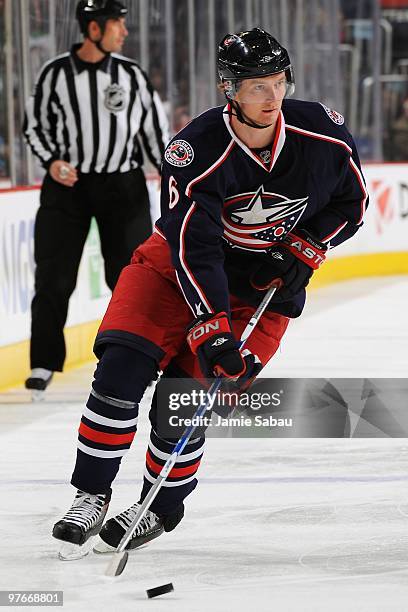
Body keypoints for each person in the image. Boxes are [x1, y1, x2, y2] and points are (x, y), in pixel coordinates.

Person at [52, 28, 368, 554]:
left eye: (278, 83)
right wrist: (212, 328)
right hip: (173, 272)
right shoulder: (195, 150)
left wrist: (308, 247)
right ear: (229, 89)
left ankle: (159, 505)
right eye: (256, 87)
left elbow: (352, 202)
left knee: (183, 399)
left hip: (259, 288)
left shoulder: (323, 133)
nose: (271, 98)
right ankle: (90, 494)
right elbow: (193, 248)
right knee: (120, 372)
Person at [22, 0, 169, 397]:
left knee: (132, 277)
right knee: (53, 276)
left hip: (123, 187)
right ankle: (44, 362)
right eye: (116, 24)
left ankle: (136, 357)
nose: (124, 32)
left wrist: (176, 178)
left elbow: (156, 135)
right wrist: (52, 162)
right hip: (68, 188)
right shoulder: (55, 74)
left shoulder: (132, 75)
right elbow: (34, 125)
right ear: (92, 29)